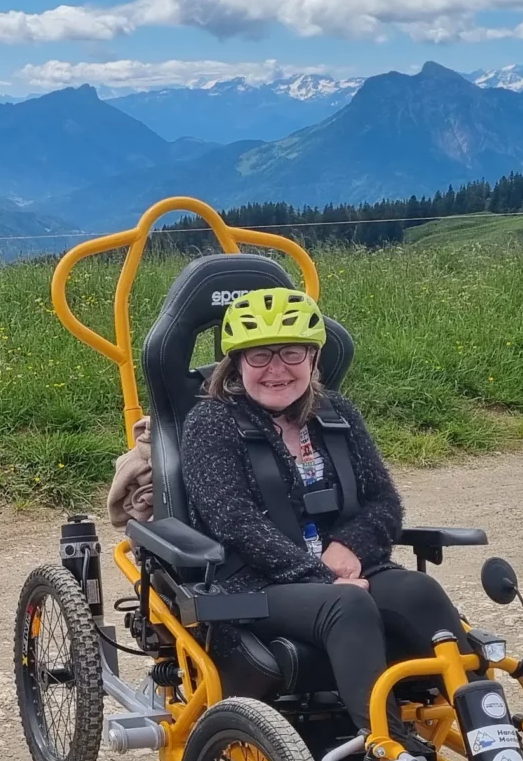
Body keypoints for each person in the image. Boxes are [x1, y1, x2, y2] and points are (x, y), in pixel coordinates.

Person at [177, 286, 462, 735]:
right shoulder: (211, 424)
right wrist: (322, 573)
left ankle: (492, 741)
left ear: (313, 358)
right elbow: (234, 522)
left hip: (349, 571)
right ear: (235, 363)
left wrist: (350, 544)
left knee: (419, 592)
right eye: (259, 356)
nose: (276, 369)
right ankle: (388, 753)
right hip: (255, 586)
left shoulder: (337, 414)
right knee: (347, 604)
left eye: (291, 353)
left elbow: (385, 502)